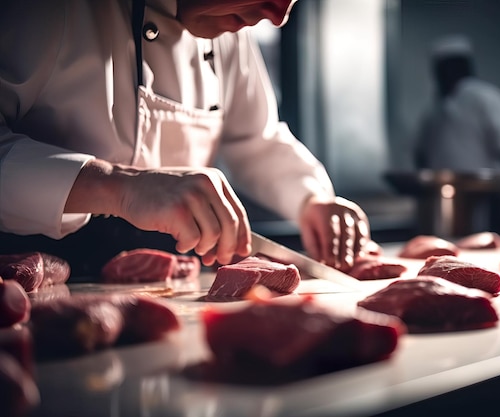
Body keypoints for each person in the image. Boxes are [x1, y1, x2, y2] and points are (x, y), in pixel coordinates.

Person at [0, 0, 371, 276]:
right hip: (28, 274)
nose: (279, 15)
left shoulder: (229, 31)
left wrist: (313, 200)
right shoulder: (40, 10)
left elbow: (257, 137)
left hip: (167, 273)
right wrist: (120, 188)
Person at [413, 35, 500, 179]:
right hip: (444, 192)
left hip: (484, 191)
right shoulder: (434, 112)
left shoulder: (485, 98)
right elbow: (420, 154)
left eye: (442, 70)